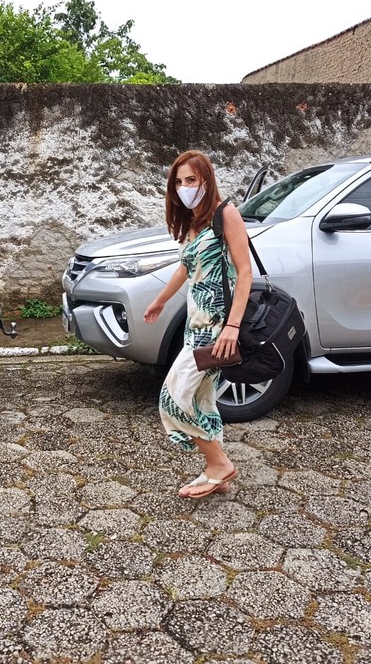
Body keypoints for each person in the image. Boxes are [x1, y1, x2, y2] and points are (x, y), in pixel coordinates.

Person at [143, 150, 253, 499]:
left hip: (217, 328)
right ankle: (218, 475)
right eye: (178, 182)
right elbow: (186, 267)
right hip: (196, 325)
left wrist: (232, 328)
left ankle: (218, 464)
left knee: (172, 399)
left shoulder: (227, 214)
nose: (184, 187)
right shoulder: (195, 222)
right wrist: (160, 300)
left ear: (207, 179)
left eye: (191, 180)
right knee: (203, 399)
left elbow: (245, 272)